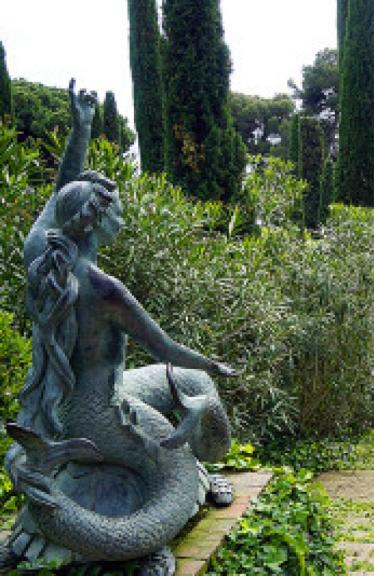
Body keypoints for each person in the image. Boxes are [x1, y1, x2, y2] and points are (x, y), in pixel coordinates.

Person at [1, 81, 236, 573]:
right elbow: (166, 347)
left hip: (58, 410)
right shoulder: (107, 289)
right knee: (196, 399)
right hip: (104, 419)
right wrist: (214, 363)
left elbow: (60, 193)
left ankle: (196, 470)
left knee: (192, 390)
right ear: (100, 222)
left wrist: (82, 128)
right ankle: (141, 541)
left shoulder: (40, 254)